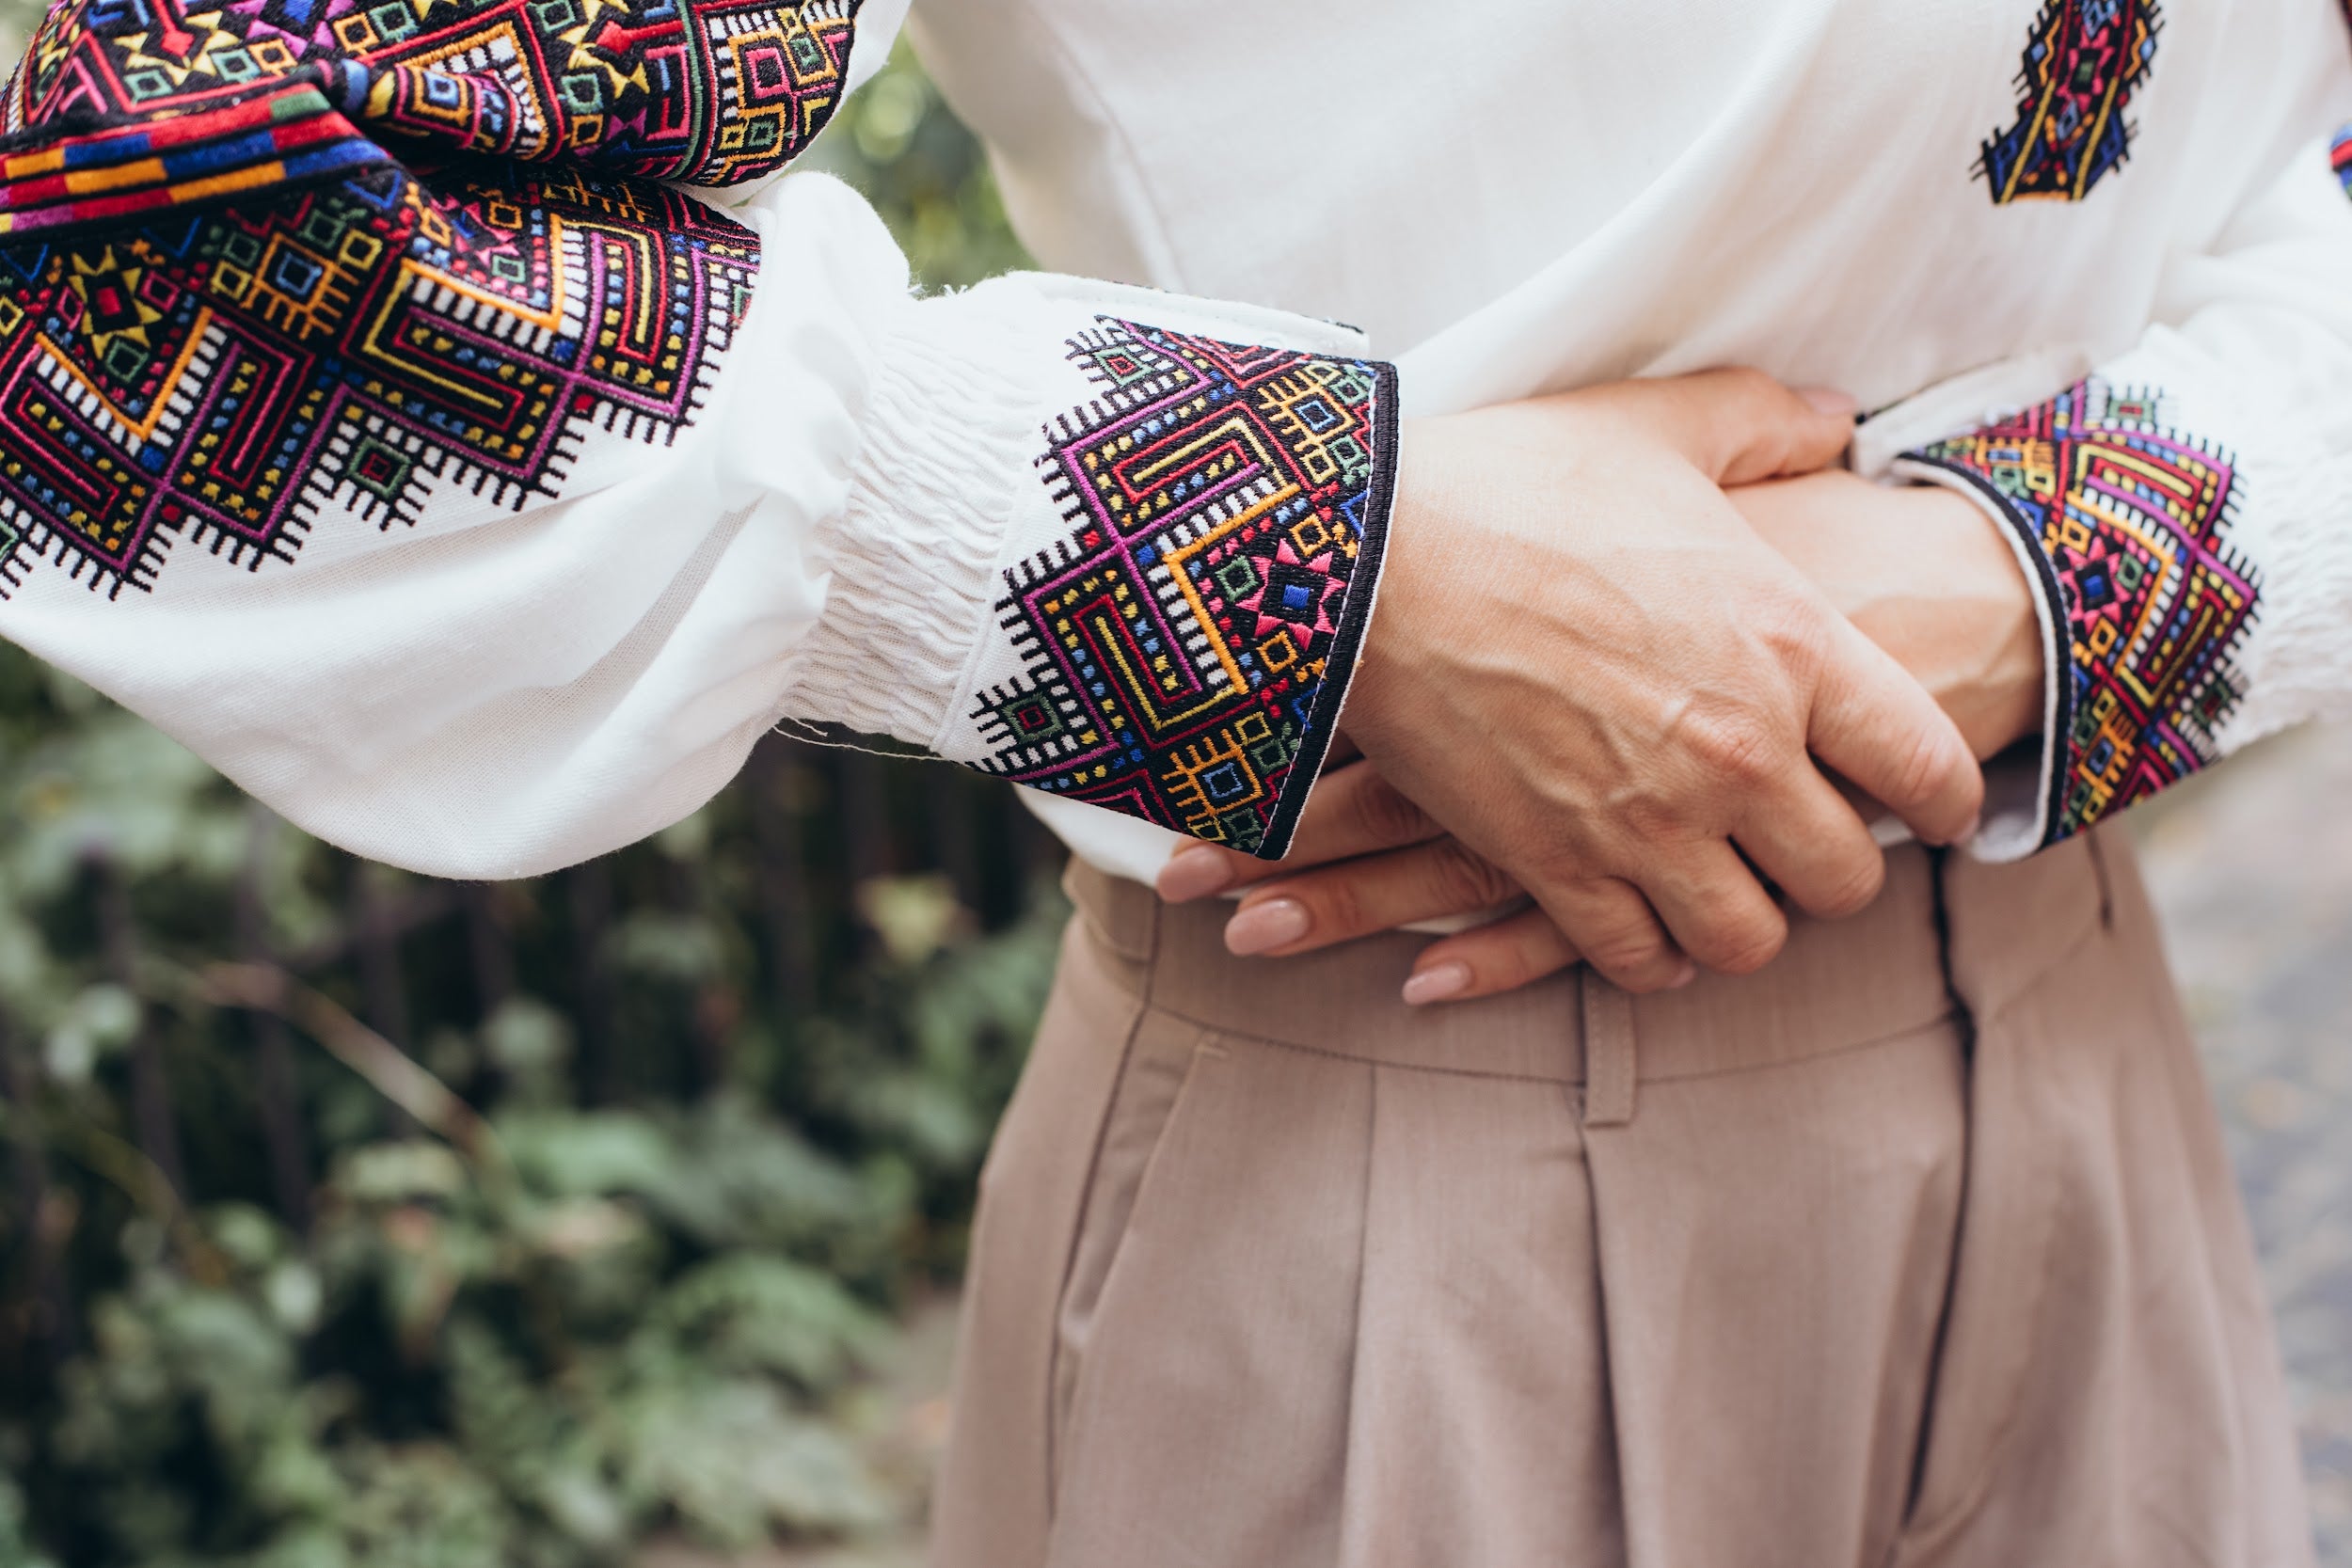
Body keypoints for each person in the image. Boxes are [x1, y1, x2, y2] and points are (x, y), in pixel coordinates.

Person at [0, 0, 2346, 1561]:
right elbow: (186, 251)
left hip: (2088, 1079)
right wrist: (1333, 562)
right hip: (1423, 1179)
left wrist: (2020, 576)